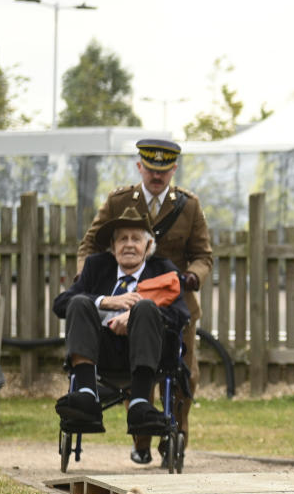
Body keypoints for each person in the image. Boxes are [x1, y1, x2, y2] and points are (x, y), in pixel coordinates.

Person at [78, 139, 212, 466]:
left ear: (173, 171)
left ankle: (175, 435)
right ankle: (140, 439)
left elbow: (203, 256)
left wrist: (192, 277)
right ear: (140, 167)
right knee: (136, 365)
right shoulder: (119, 202)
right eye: (151, 169)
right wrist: (90, 283)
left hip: (174, 303)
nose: (157, 176)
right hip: (130, 299)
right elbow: (88, 248)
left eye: (163, 171)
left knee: (183, 375)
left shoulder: (189, 206)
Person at [54, 207, 190, 437]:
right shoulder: (97, 266)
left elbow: (181, 315)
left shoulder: (164, 270)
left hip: (148, 353)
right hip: (101, 351)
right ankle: (87, 394)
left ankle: (139, 403)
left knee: (146, 307)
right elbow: (61, 303)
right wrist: (106, 301)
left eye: (135, 239)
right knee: (78, 301)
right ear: (113, 246)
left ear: (148, 246)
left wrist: (136, 314)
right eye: (122, 239)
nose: (128, 244)